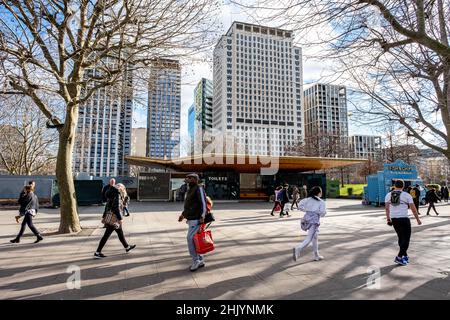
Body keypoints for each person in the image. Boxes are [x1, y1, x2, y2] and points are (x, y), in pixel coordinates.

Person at [385, 179, 421, 266]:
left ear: (394, 186)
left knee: (401, 238)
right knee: (406, 239)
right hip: (404, 219)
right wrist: (418, 219)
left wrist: (388, 219)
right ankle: (399, 257)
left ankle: (405, 256)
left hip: (394, 219)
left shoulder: (388, 195)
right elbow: (413, 209)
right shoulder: (406, 195)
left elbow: (387, 208)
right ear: (403, 186)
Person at [94, 183, 136, 258]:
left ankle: (127, 247)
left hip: (111, 217)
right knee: (106, 235)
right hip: (114, 219)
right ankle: (98, 252)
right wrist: (120, 219)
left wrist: (104, 216)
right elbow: (116, 208)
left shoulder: (111, 193)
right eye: (123, 188)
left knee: (120, 232)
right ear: (121, 188)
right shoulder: (117, 194)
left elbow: (107, 206)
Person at [178, 173, 207, 272]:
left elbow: (203, 203)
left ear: (195, 179)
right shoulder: (190, 189)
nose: (187, 179)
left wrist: (203, 216)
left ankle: (196, 260)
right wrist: (183, 215)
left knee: (190, 239)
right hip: (191, 218)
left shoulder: (198, 188)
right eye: (187, 178)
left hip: (196, 219)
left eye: (189, 178)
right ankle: (200, 259)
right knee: (195, 240)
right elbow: (189, 205)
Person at [293, 186, 326, 262]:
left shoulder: (307, 200)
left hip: (306, 219)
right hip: (314, 221)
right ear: (319, 193)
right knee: (309, 238)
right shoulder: (321, 202)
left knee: (315, 237)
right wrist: (316, 211)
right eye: (321, 192)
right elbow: (323, 213)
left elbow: (300, 206)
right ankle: (298, 248)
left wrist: (307, 210)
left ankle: (316, 255)